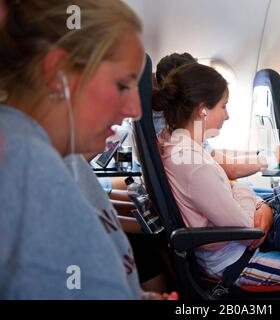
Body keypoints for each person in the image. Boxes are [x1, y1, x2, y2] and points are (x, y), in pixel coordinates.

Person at [0, 0, 174, 300]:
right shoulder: (23, 162)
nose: (134, 109)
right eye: (122, 85)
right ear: (57, 74)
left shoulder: (65, 159)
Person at [155, 63, 280, 298]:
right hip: (235, 261)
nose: (227, 115)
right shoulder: (194, 164)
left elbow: (233, 189)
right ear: (203, 109)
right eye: (223, 106)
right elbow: (251, 231)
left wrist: (248, 199)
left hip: (228, 250)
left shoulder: (176, 143)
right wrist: (260, 206)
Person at [153, 52, 280, 181]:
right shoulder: (176, 132)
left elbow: (214, 155)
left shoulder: (177, 126)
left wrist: (261, 153)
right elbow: (230, 170)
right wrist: (273, 158)